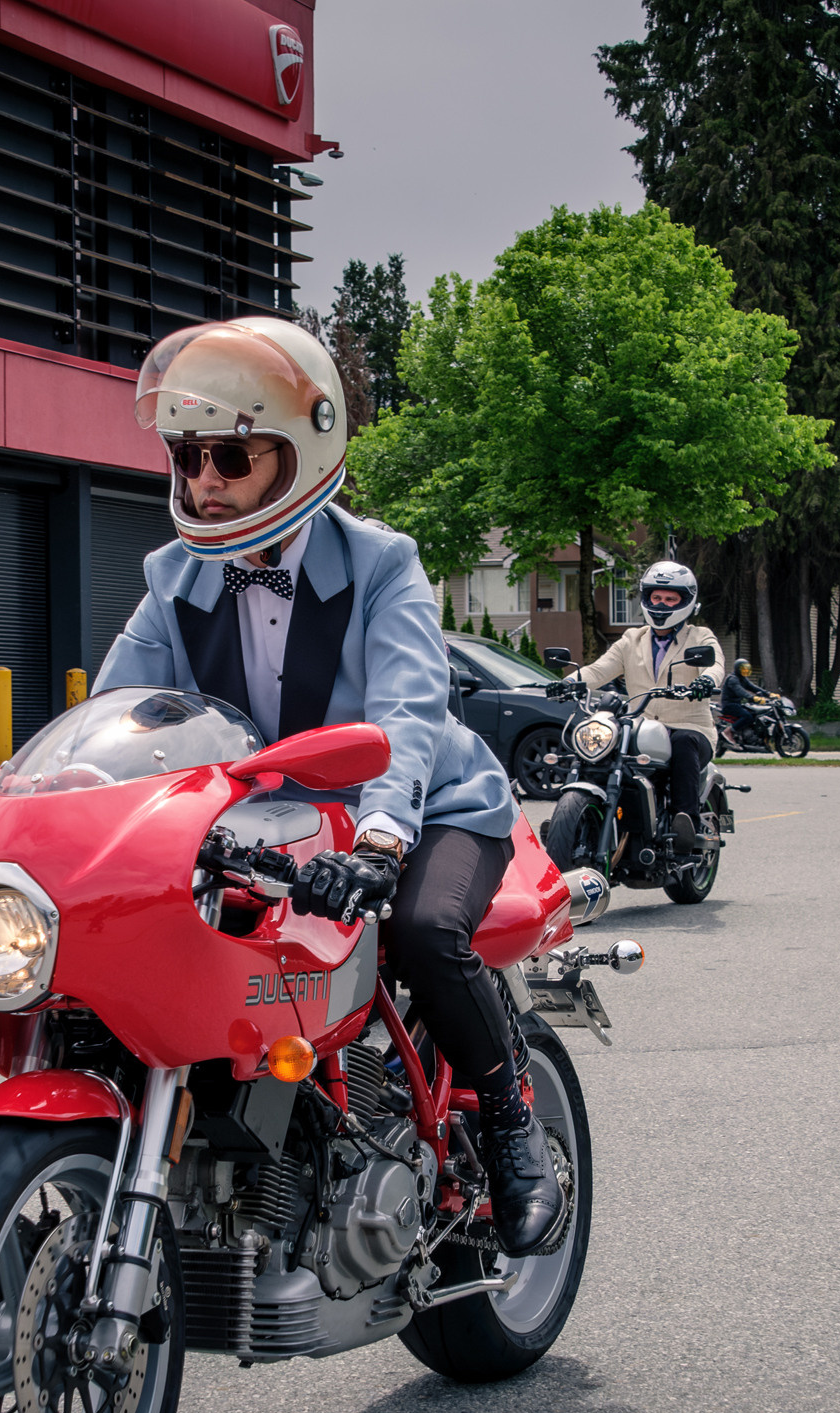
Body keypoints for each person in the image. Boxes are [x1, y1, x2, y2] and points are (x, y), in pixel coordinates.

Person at [92, 317, 563, 1254]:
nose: (203, 481)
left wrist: (384, 838)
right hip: (274, 824)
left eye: (230, 454)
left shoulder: (381, 564)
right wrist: (60, 798)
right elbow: (123, 713)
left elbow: (405, 714)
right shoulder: (174, 578)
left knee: (426, 933)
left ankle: (514, 1128)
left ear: (299, 453)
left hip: (425, 808)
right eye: (188, 456)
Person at [570, 562, 724, 846]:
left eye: (670, 599)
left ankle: (684, 824)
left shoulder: (699, 637)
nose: (662, 604)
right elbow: (598, 670)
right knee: (603, 743)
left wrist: (705, 682)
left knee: (684, 741)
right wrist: (569, 682)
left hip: (689, 727)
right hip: (640, 727)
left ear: (685, 602)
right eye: (657, 597)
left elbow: (714, 666)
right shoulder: (631, 639)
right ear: (646, 598)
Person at [719, 657, 770, 749]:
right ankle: (729, 731)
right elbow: (740, 691)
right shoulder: (733, 679)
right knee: (747, 716)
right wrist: (753, 697)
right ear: (738, 669)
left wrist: (769, 694)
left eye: (747, 668)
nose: (745, 670)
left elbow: (753, 687)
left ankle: (748, 737)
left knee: (754, 714)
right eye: (743, 668)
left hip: (737, 704)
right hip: (729, 705)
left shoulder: (743, 678)